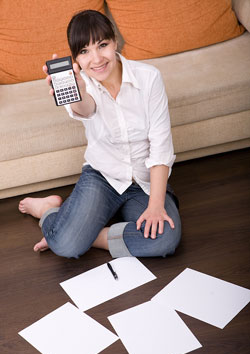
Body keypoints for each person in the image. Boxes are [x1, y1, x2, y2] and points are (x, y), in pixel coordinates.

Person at [19, 10, 181, 258]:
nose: (96, 59)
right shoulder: (80, 86)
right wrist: (81, 91)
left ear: (115, 41)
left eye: (102, 45)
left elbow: (161, 148)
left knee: (166, 238)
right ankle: (49, 210)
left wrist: (156, 206)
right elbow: (87, 109)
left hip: (145, 183)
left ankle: (78, 230)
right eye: (84, 52)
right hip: (102, 178)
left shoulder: (149, 78)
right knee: (65, 247)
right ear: (76, 58)